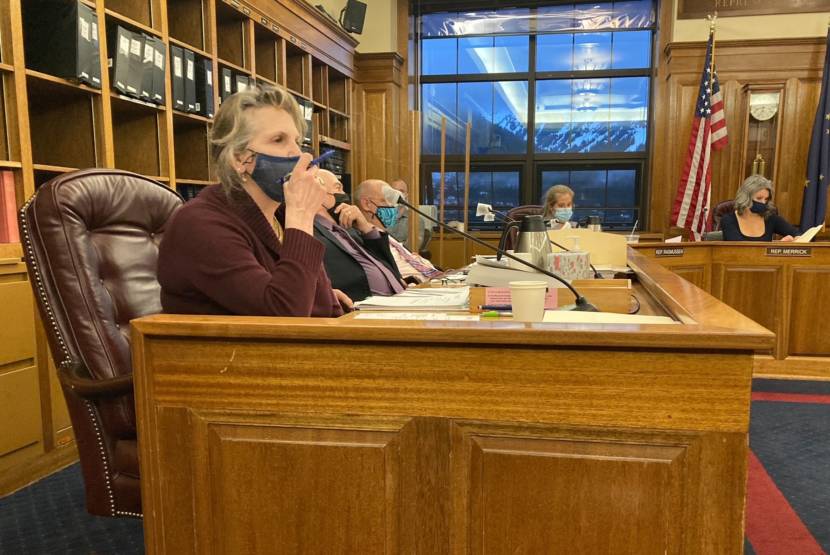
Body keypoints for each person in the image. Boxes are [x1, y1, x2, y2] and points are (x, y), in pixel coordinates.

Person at [158, 85, 349, 316]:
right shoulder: (200, 224)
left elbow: (326, 306)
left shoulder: (279, 215)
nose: (298, 154)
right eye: (278, 140)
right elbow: (286, 319)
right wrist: (301, 217)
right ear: (240, 159)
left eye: (297, 141)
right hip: (232, 352)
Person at [313, 171, 405, 302]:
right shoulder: (312, 234)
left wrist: (367, 229)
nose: (344, 195)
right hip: (364, 310)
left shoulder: (349, 229)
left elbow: (392, 271)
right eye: (338, 188)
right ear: (317, 193)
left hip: (400, 300)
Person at [355, 179, 443, 283]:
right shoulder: (364, 239)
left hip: (434, 280)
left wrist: (415, 259)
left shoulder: (387, 235)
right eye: (385, 200)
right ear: (366, 204)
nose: (393, 206)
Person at [720, 175, 800, 242]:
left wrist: (793, 241)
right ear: (745, 198)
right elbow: (739, 249)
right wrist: (775, 246)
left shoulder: (770, 218)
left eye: (766, 199)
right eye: (759, 198)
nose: (763, 203)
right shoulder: (728, 220)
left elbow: (797, 233)